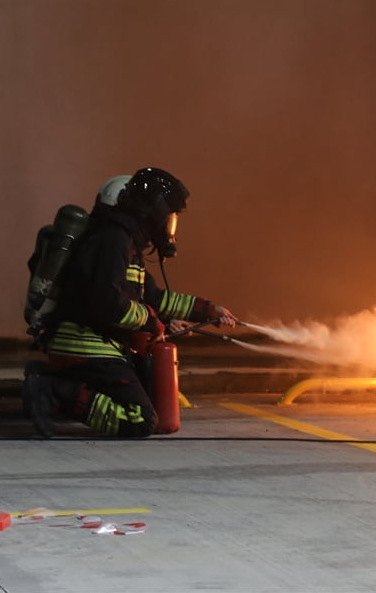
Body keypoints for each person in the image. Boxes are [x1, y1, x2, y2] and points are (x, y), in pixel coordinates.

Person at [23, 167, 236, 438]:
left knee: (151, 401)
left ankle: (54, 385)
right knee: (141, 419)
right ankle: (51, 389)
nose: (169, 226)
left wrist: (207, 310)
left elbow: (154, 298)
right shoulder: (112, 241)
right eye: (168, 216)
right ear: (155, 212)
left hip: (102, 346)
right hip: (88, 347)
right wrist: (151, 320)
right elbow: (109, 304)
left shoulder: (126, 245)